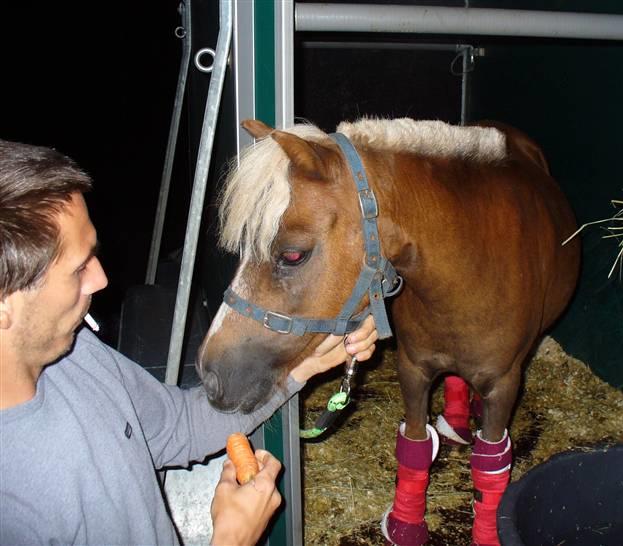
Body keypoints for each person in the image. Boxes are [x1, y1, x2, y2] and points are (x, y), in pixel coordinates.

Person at [0, 139, 378, 546]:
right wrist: (232, 540)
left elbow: (179, 427)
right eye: (78, 269)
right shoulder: (15, 508)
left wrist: (306, 364)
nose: (101, 279)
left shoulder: (74, 356)